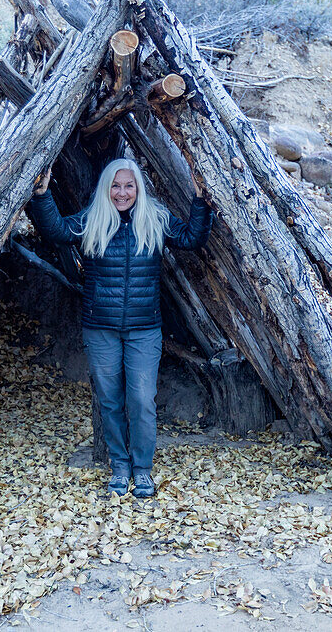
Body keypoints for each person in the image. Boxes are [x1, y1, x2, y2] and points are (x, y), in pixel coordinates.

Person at [28, 158, 212, 498]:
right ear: (106, 189)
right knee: (111, 401)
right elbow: (57, 232)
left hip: (144, 328)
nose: (122, 192)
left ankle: (142, 469)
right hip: (101, 327)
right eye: (115, 185)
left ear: (138, 188)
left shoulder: (154, 218)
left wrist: (200, 201)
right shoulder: (94, 218)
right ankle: (120, 466)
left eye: (129, 186)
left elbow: (191, 238)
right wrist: (41, 195)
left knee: (141, 400)